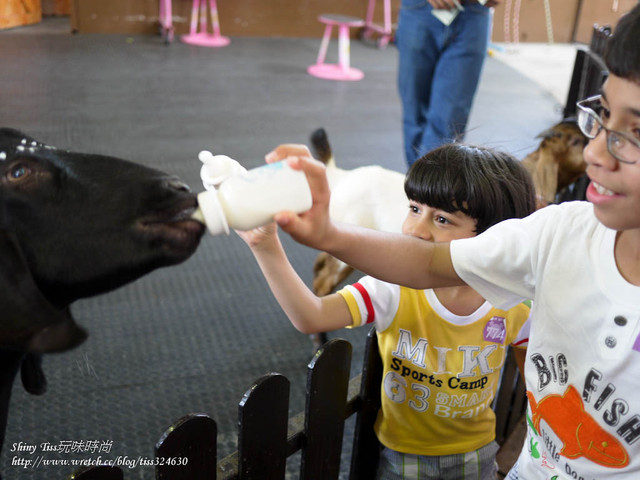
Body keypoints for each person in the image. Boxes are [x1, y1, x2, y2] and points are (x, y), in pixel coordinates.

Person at [267, 4, 640, 479]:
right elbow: (425, 265)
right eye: (603, 115)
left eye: (637, 131)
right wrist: (321, 236)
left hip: (476, 456)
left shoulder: (512, 307)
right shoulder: (557, 234)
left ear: (487, 232)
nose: (593, 151)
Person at [239, 144, 535, 479]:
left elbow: (539, 366)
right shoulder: (393, 289)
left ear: (493, 236)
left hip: (477, 453)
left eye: (441, 219)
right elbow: (312, 315)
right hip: (404, 458)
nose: (415, 229)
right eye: (413, 208)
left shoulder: (512, 304)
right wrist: (265, 248)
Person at [396, 0, 500, 166]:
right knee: (414, 113)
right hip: (420, 9)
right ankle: (418, 184)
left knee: (449, 124)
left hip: (474, 13)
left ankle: (430, 187)